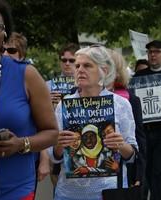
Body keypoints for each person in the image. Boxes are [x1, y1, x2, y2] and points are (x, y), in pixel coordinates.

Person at [48, 45, 138, 200]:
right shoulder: (64, 105)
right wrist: (60, 144)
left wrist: (121, 145)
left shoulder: (121, 104)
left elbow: (132, 155)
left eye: (87, 65)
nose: (80, 70)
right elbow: (54, 156)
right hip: (69, 193)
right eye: (77, 66)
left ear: (105, 71)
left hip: (108, 192)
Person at [0, 0, 59, 199]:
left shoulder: (26, 75)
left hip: (15, 190)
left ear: (4, 33)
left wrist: (20, 144)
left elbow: (52, 133)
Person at [2, 30, 51, 197]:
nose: (6, 54)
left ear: (22, 55)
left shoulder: (30, 78)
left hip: (24, 162)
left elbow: (43, 127)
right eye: (3, 50)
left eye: (12, 50)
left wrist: (44, 160)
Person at [133, 40, 161, 200]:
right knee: (147, 170)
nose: (153, 54)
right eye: (150, 52)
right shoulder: (138, 77)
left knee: (160, 171)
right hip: (145, 131)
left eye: (157, 51)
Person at [107, 49, 146, 188]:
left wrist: (138, 172)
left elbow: (139, 138)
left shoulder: (130, 99)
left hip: (120, 171)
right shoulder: (76, 96)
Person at [46, 42, 80, 190]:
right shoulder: (48, 86)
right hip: (56, 141)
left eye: (71, 60)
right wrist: (47, 101)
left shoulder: (86, 85)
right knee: (58, 185)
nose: (67, 63)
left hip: (79, 143)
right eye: (63, 60)